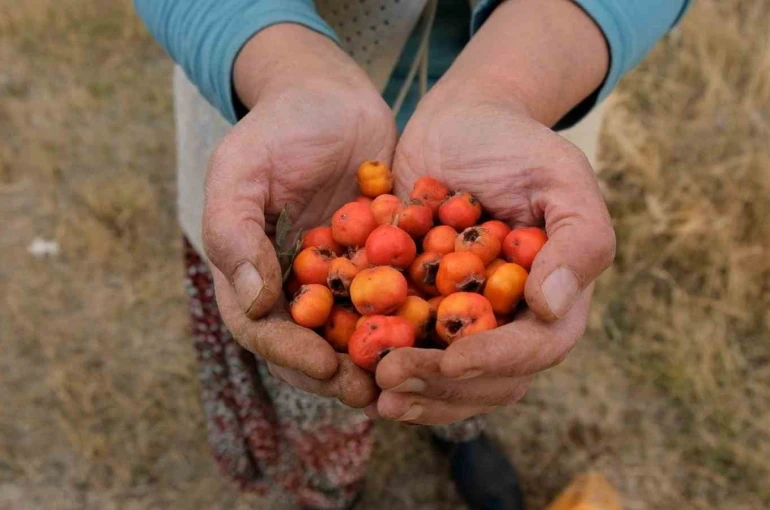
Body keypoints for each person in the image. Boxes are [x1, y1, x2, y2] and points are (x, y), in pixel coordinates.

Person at [135, 1, 690, 509]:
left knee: (462, 369)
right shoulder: (362, 259)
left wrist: (505, 91)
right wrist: (284, 70)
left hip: (520, 124)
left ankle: (459, 437)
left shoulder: (432, 257)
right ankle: (324, 486)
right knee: (305, 364)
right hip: (284, 132)